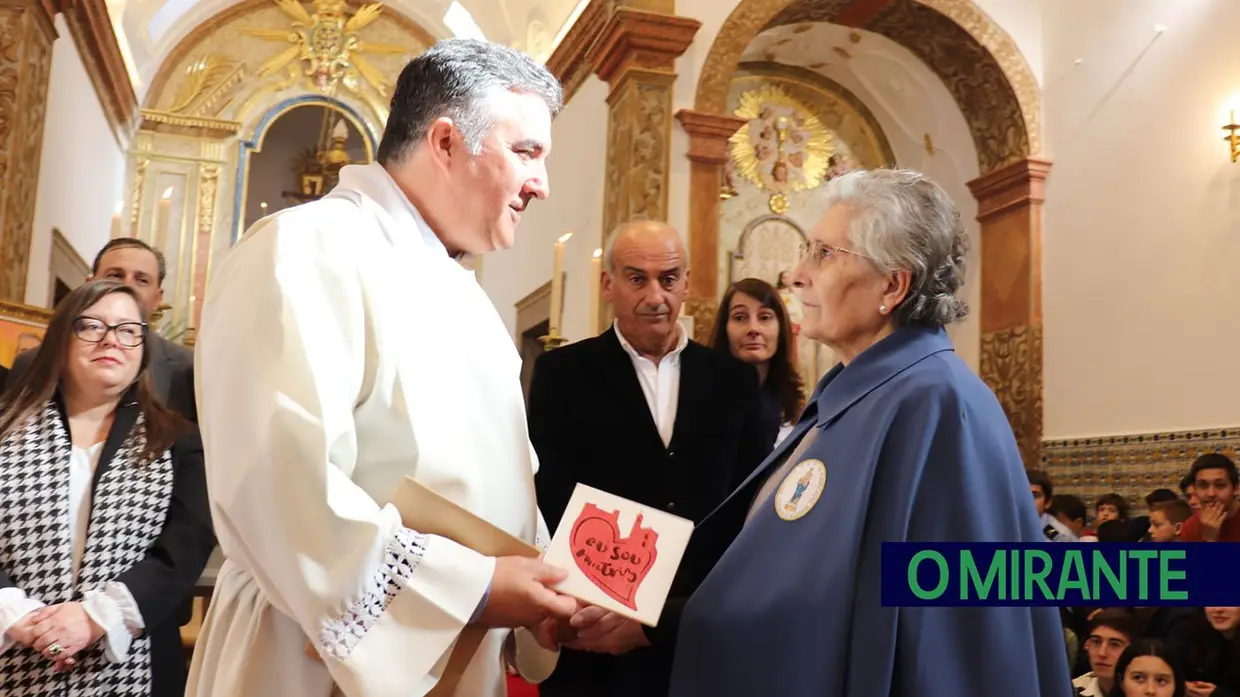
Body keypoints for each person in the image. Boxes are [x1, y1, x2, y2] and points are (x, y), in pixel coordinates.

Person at [185, 39, 577, 697]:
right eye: (527, 153)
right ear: (446, 143)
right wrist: (475, 586)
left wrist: (547, 587)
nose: (541, 183)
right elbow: (282, 488)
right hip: (309, 659)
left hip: (451, 652)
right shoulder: (305, 251)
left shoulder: (466, 297)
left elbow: (490, 485)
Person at [666, 168, 1073, 697]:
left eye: (823, 254)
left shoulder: (936, 403)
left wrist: (670, 622)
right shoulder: (854, 392)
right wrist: (662, 611)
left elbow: (954, 637)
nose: (796, 274)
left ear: (893, 285)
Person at [529, 220, 771, 697]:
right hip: (595, 624)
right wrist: (603, 598)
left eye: (669, 278)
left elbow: (749, 505)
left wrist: (683, 610)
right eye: (637, 278)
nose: (656, 296)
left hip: (697, 625)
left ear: (686, 283)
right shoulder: (562, 374)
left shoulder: (734, 381)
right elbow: (550, 491)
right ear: (608, 285)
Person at [0, 280, 214, 696]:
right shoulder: (6, 430)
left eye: (128, 329)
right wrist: (19, 616)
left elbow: (184, 549)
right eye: (92, 326)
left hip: (135, 658)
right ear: (62, 340)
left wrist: (94, 618)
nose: (111, 340)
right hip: (11, 645)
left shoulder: (180, 441)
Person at [8, 238, 196, 422]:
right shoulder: (30, 363)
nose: (126, 286)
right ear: (89, 284)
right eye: (115, 275)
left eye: (142, 280)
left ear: (157, 298)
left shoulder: (187, 371)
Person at [709, 277, 804, 449]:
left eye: (765, 317)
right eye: (740, 317)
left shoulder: (791, 399)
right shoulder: (704, 396)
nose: (753, 329)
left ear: (780, 328)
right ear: (725, 328)